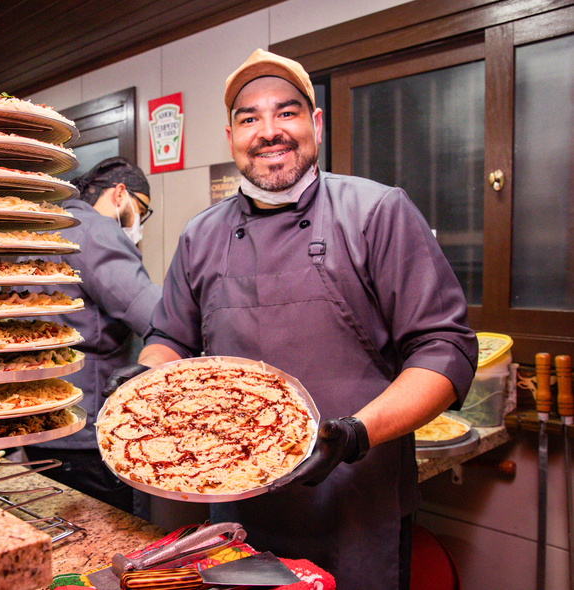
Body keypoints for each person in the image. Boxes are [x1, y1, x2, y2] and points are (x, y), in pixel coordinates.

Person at [104, 49, 478, 589]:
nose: (268, 130)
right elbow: (170, 338)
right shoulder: (201, 235)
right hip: (234, 512)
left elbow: (445, 350)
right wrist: (146, 378)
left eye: (287, 112)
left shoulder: (376, 212)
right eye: (249, 118)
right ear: (231, 135)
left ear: (315, 124)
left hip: (356, 502)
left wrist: (353, 435)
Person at [24, 157, 162, 514]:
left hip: (37, 418)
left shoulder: (42, 225)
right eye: (140, 211)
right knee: (108, 538)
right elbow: (154, 315)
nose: (139, 224)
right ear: (120, 194)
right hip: (87, 429)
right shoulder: (96, 231)